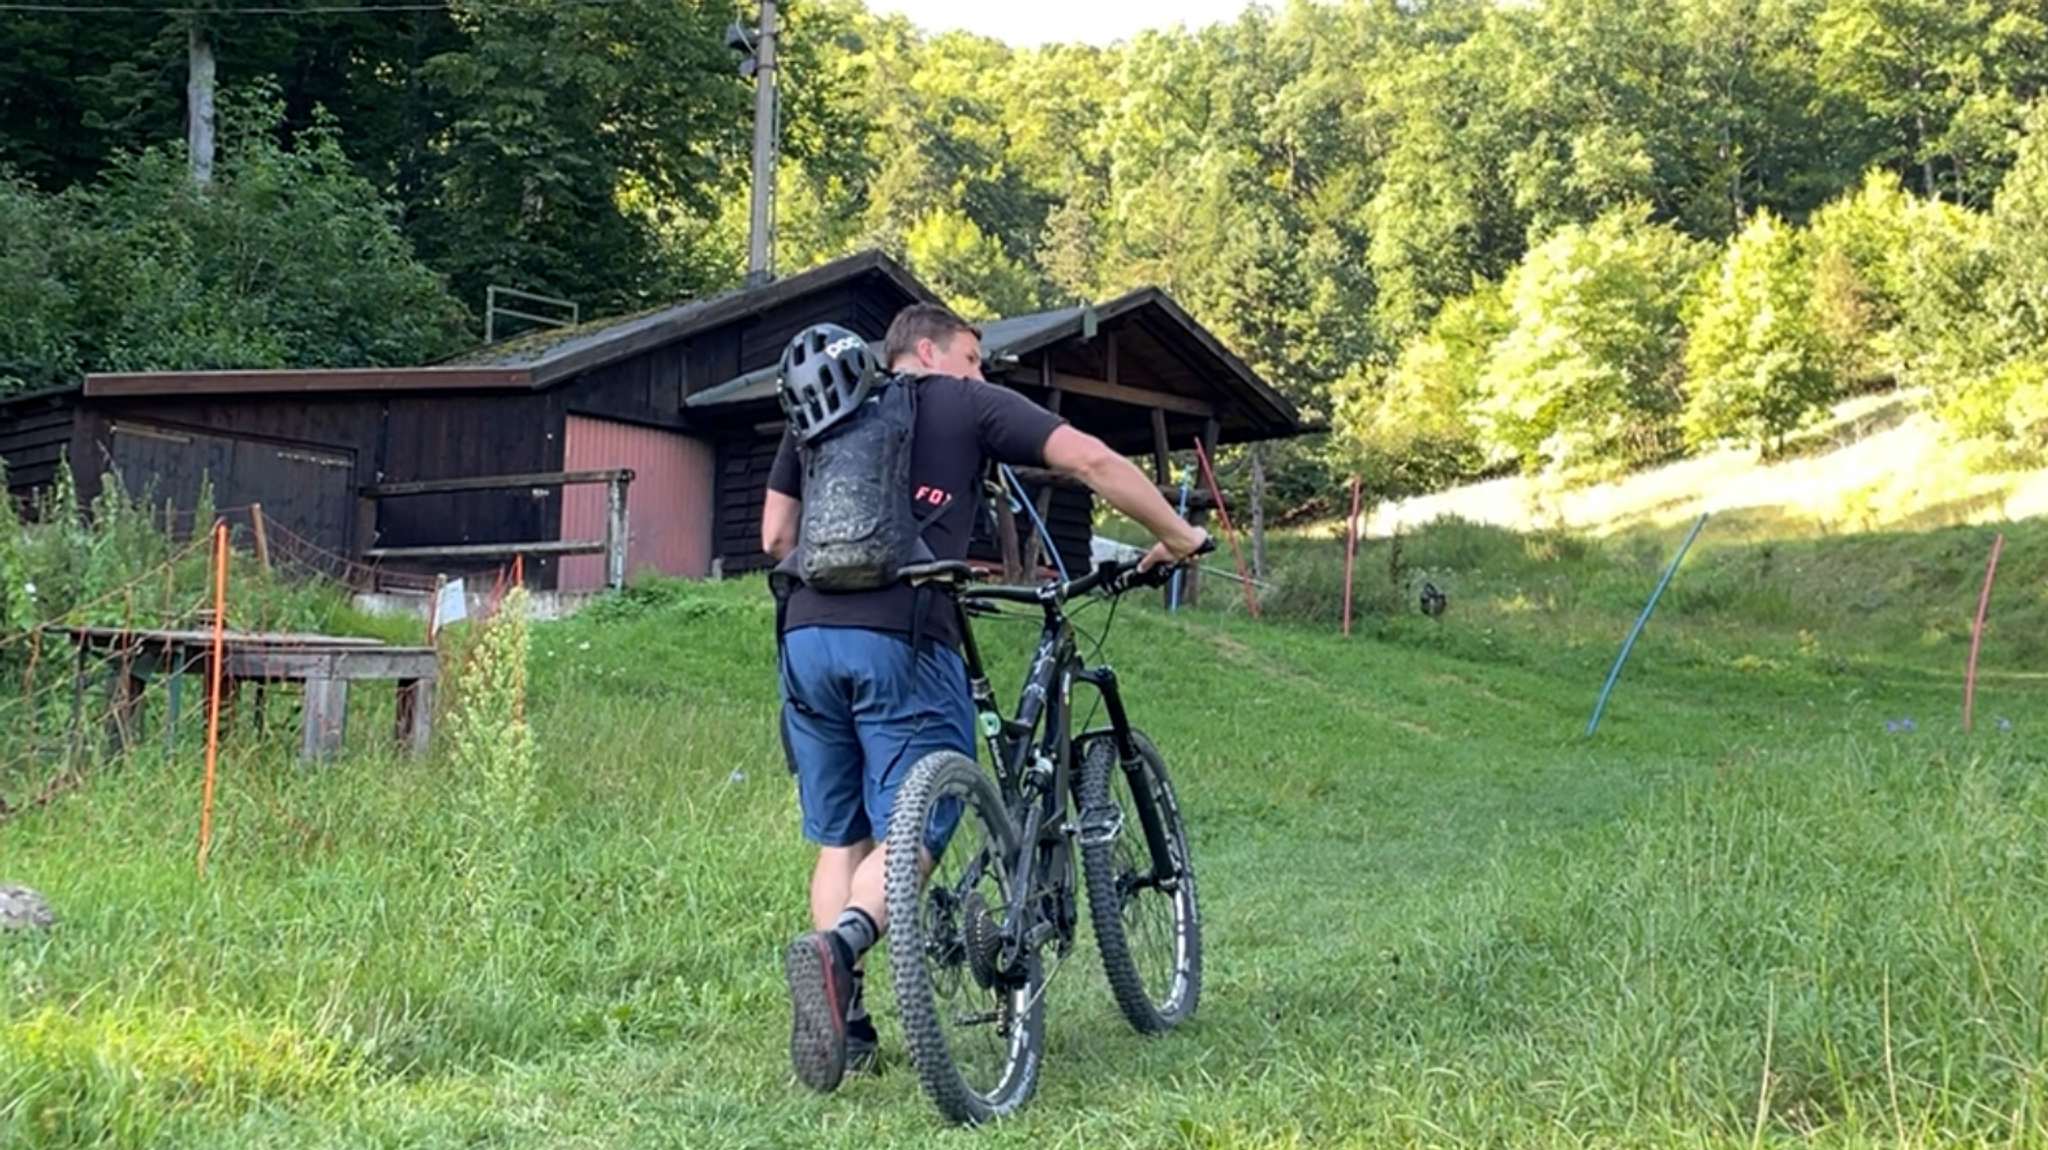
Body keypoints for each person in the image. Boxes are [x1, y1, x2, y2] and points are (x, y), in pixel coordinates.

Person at [762, 302, 1209, 1092]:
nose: (981, 372)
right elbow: (1093, 460)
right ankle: (838, 951)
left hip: (803, 635)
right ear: (928, 352)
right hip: (901, 633)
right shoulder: (962, 400)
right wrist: (1177, 535)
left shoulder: (823, 408)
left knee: (844, 839)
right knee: (919, 825)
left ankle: (850, 1021)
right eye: (973, 357)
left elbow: (774, 537)